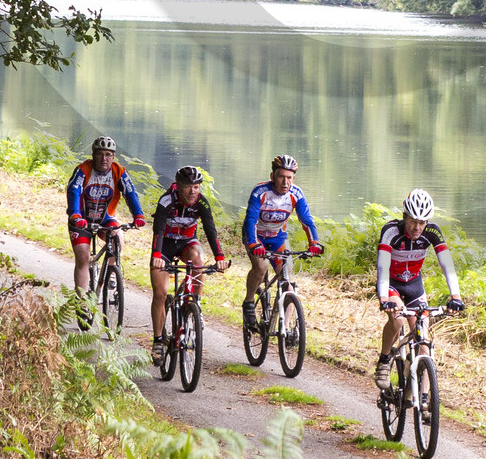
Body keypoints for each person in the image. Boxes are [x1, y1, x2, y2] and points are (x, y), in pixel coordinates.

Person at [375, 189, 462, 387]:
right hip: (392, 285)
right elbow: (382, 266)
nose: (417, 227)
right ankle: (384, 360)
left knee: (424, 343)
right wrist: (383, 298)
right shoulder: (391, 232)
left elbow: (447, 264)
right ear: (404, 216)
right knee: (397, 322)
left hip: (414, 286)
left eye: (422, 222)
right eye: (413, 221)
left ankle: (422, 399)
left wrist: (455, 296)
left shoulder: (432, 232)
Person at [151, 165, 226, 364]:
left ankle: (196, 305)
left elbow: (211, 231)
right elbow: (158, 229)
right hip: (165, 246)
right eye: (188, 187)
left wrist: (219, 257)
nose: (193, 191)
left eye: (196, 187)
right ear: (179, 187)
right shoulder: (167, 201)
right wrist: (157, 255)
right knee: (159, 293)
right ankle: (158, 340)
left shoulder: (201, 202)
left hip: (186, 244)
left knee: (198, 261)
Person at [65, 134, 143, 322]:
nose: (104, 158)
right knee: (83, 256)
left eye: (108, 154)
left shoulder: (119, 172)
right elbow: (73, 191)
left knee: (117, 236)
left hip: (105, 218)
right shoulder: (83, 170)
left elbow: (131, 194)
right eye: (100, 154)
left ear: (113, 157)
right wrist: (75, 214)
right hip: (81, 219)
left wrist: (138, 215)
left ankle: (111, 273)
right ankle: (82, 303)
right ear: (93, 155)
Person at [243, 153, 322, 318]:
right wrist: (253, 244)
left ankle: (285, 329)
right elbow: (251, 220)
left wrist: (314, 242)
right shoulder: (260, 192)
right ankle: (249, 303)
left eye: (290, 178)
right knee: (261, 266)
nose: (285, 182)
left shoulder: (296, 194)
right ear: (272, 176)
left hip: (278, 237)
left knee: (287, 281)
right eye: (281, 177)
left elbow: (306, 220)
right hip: (257, 237)